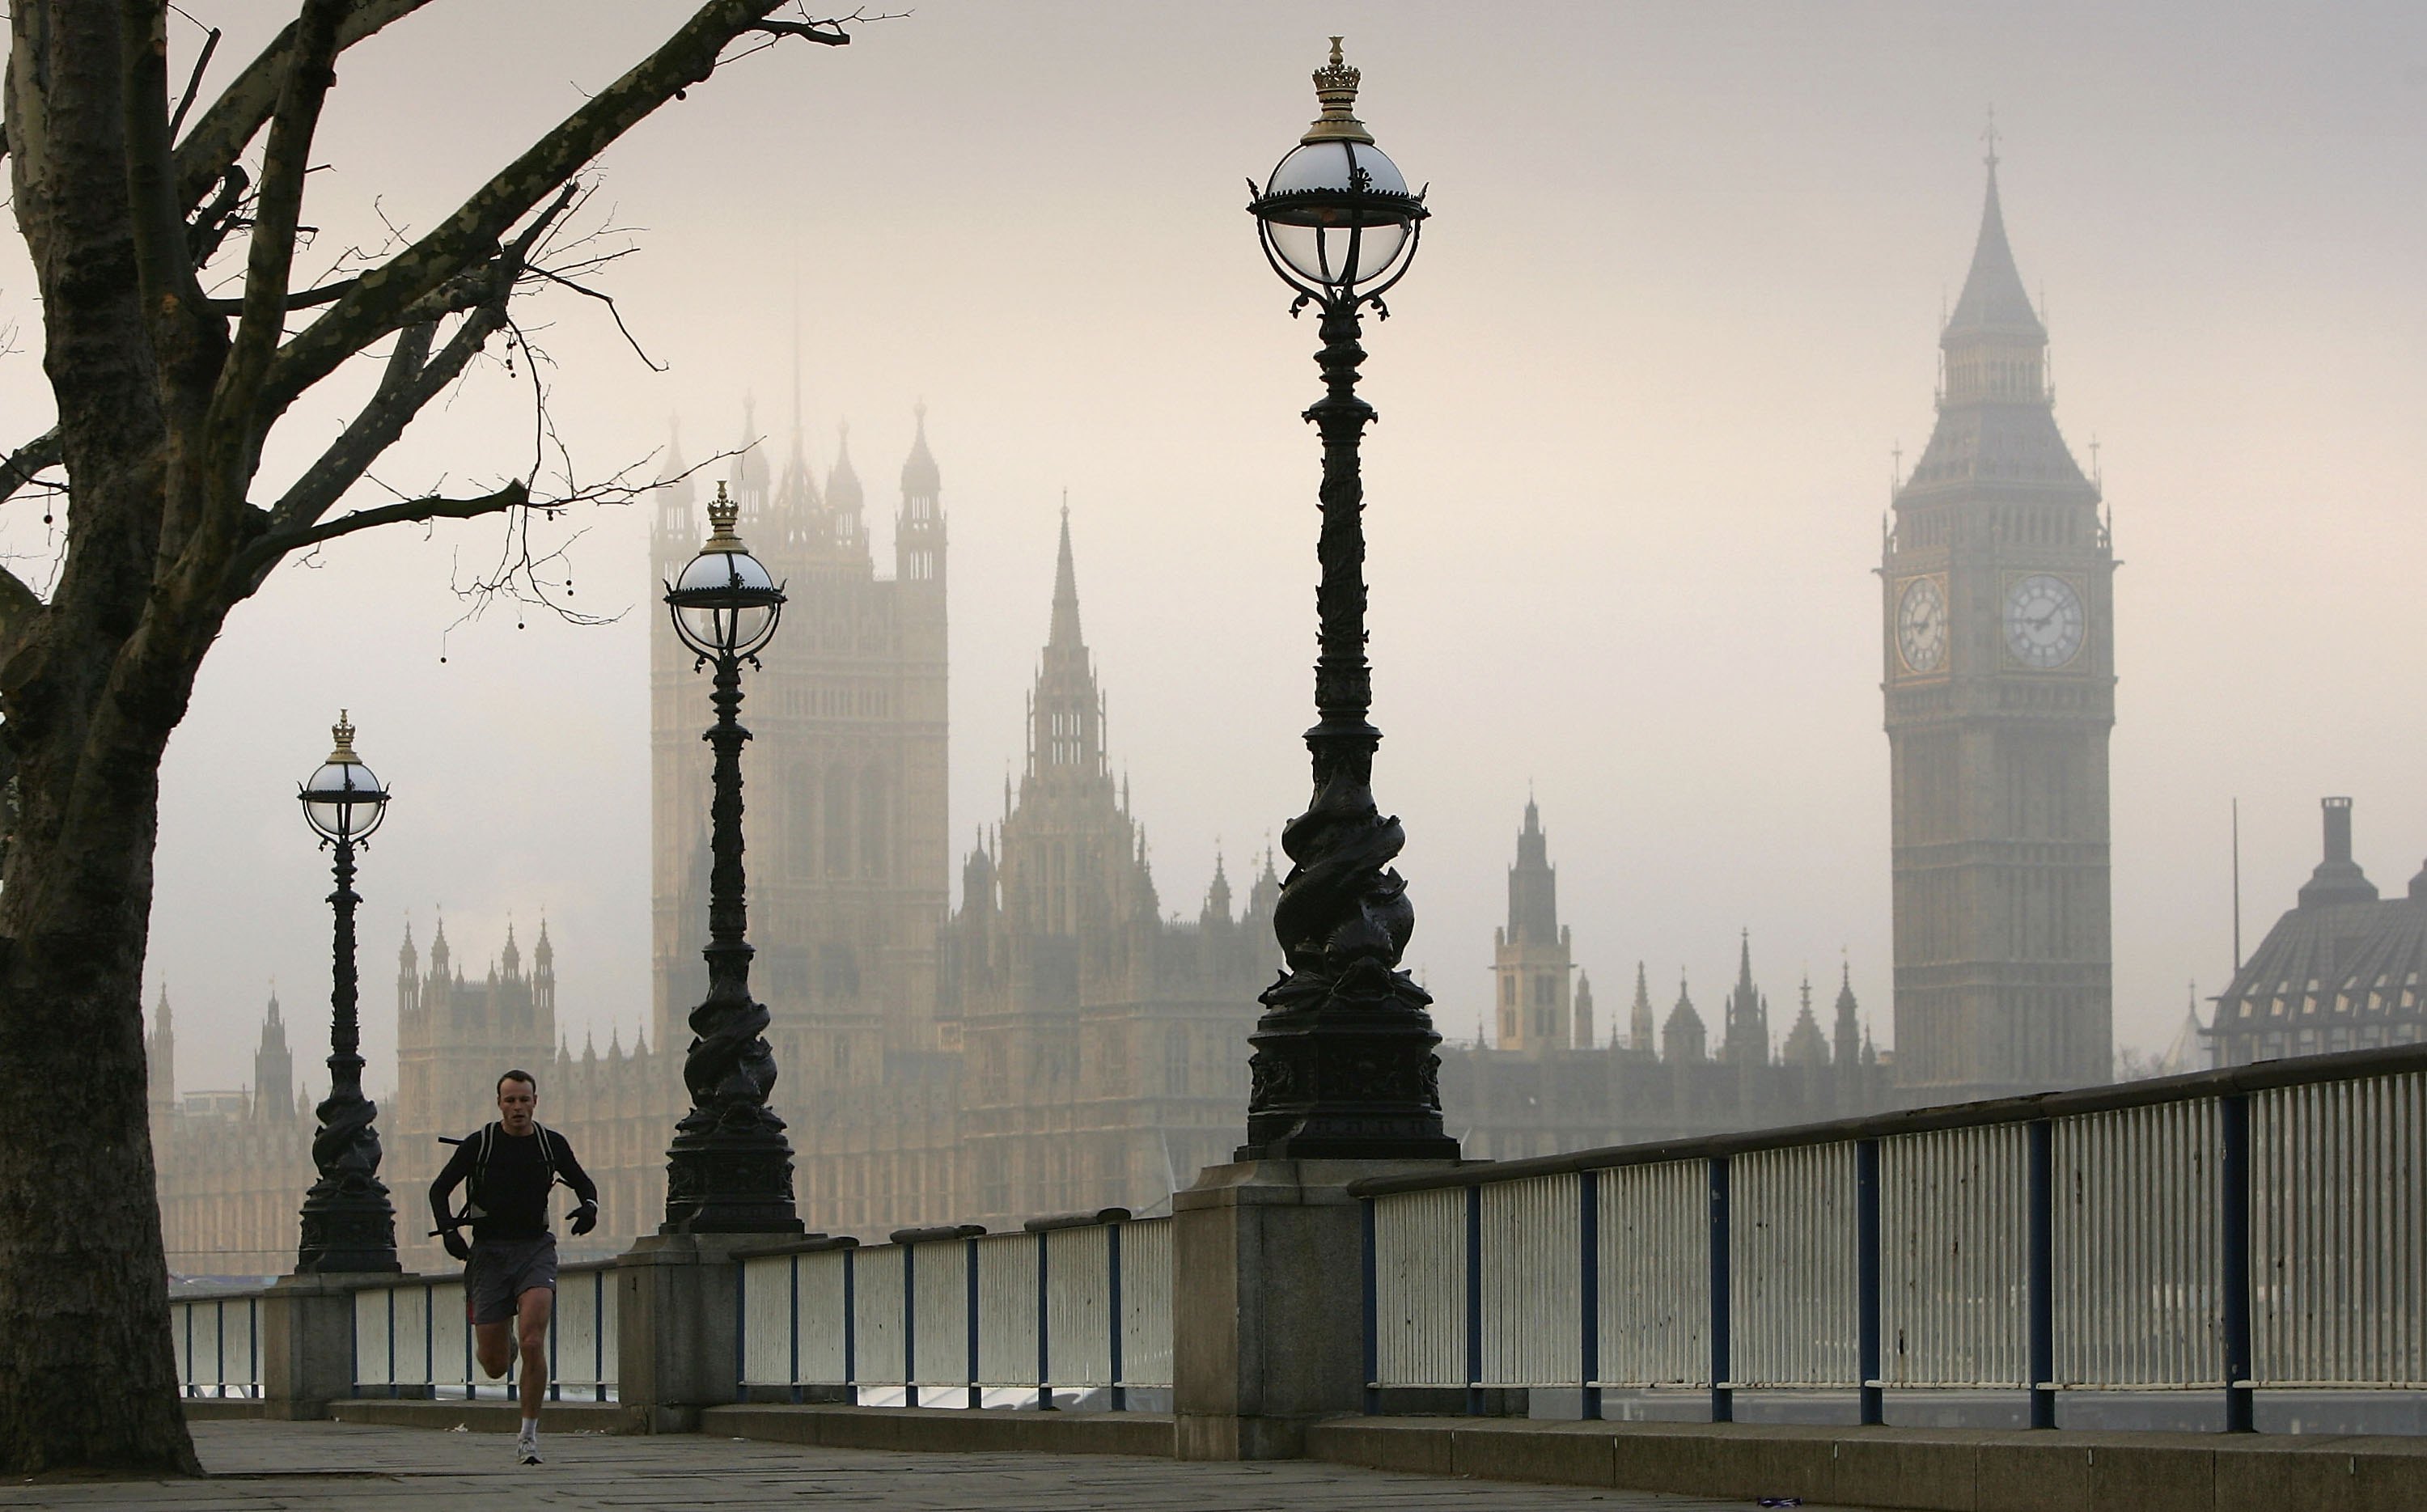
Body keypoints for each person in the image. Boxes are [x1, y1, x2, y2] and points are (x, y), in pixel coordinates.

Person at [430, 1069, 599, 1466]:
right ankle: (503, 1336)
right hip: (488, 1254)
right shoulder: (480, 1144)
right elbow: (439, 1189)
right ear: (499, 1104)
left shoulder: (550, 1144)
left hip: (535, 1249)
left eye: (524, 1099)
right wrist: (450, 1231)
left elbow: (584, 1183)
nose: (518, 1107)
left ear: (535, 1102)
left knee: (534, 1341)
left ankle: (528, 1436)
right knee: (494, 1365)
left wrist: (590, 1207)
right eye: (511, 1100)